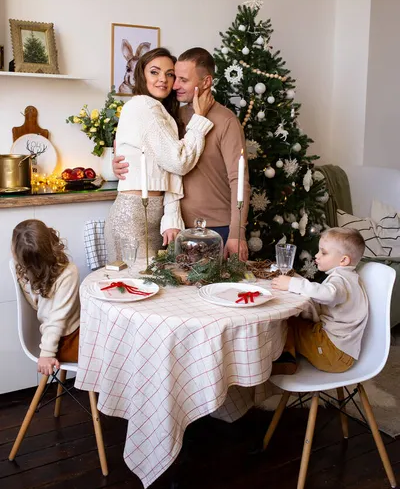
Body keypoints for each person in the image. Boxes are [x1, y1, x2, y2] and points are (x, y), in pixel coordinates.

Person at [113, 47, 250, 261]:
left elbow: (239, 179)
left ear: (206, 82)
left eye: (181, 79)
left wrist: (237, 233)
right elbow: (142, 147)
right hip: (173, 228)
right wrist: (118, 159)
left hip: (216, 229)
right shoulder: (170, 114)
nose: (173, 84)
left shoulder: (226, 120)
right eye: (173, 77)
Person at [104, 47, 214, 262]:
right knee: (137, 287)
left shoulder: (163, 113)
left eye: (170, 74)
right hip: (133, 215)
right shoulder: (143, 106)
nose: (162, 79)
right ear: (141, 75)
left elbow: (169, 170)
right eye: (154, 72)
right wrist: (200, 118)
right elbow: (179, 162)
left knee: (154, 288)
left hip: (153, 215)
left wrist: (171, 218)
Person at [271, 227, 368, 374]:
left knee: (287, 324)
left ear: (343, 260)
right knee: (296, 322)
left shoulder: (341, 280)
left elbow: (328, 294)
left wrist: (292, 283)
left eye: (324, 252)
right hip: (339, 349)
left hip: (333, 353)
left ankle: (286, 360)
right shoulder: (351, 277)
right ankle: (287, 356)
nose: (317, 256)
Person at [12, 219, 80, 376]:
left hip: (53, 337)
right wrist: (47, 353)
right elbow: (56, 319)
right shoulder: (69, 272)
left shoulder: (24, 269)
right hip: (66, 342)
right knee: (115, 342)